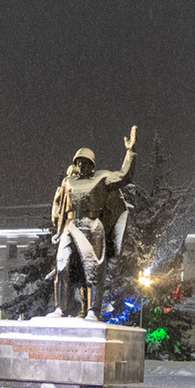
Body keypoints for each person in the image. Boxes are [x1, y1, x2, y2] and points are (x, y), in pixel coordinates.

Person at [49, 126, 136, 319]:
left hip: (92, 226)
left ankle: (92, 311)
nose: (82, 166)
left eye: (86, 163)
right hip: (70, 226)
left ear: (92, 165)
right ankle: (59, 309)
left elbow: (124, 176)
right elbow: (61, 205)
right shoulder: (68, 182)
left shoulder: (102, 178)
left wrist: (130, 151)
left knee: (93, 269)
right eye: (79, 162)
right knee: (62, 266)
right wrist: (58, 229)